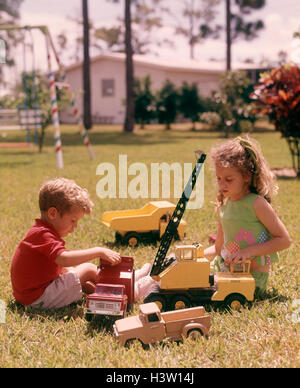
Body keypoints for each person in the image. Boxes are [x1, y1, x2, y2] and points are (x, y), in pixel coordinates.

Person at [10, 177, 151, 309]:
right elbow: (64, 259)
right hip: (37, 298)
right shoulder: (43, 234)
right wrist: (98, 251)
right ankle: (133, 290)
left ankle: (126, 281)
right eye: (73, 220)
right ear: (52, 213)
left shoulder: (42, 231)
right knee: (88, 269)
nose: (75, 226)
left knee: (81, 278)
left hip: (33, 294)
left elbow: (55, 267)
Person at [204, 136, 291, 295]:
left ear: (246, 176)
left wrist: (248, 252)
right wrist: (194, 256)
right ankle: (146, 277)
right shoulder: (223, 206)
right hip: (224, 267)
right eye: (219, 178)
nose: (222, 184)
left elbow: (284, 240)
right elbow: (218, 248)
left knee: (205, 289)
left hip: (251, 277)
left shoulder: (257, 204)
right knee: (188, 277)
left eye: (228, 179)